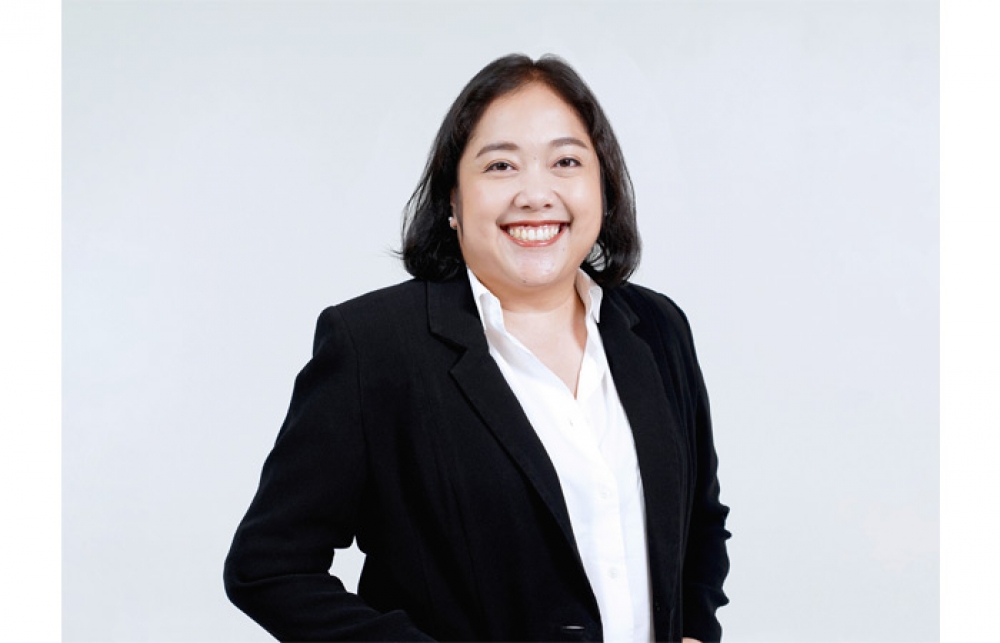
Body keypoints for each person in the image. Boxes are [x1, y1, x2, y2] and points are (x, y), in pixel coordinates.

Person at [224, 53, 730, 643]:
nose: (536, 194)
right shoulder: (374, 346)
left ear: (603, 187)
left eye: (566, 161)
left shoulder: (657, 327)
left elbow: (700, 521)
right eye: (500, 166)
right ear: (452, 202)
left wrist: (696, 631)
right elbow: (269, 569)